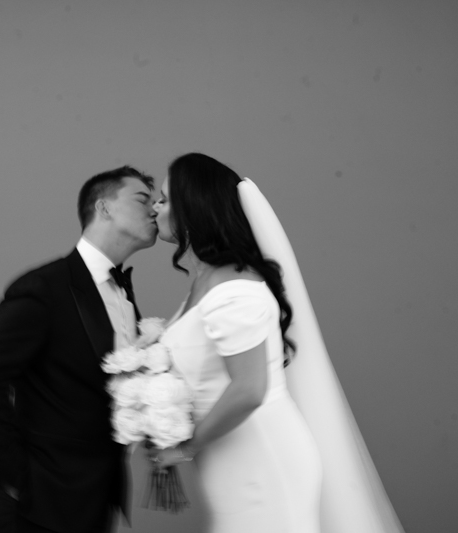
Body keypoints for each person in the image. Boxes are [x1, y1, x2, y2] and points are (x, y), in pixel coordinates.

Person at [149, 153, 405, 533]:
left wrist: (183, 447)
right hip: (231, 467)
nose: (155, 207)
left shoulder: (235, 291)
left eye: (165, 199)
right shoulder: (206, 281)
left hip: (263, 464)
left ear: (194, 208)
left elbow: (250, 389)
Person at [0, 166, 158, 533]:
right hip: (41, 497)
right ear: (103, 208)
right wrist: (12, 475)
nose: (155, 209)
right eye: (142, 199)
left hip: (97, 495)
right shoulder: (43, 287)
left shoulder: (122, 293)